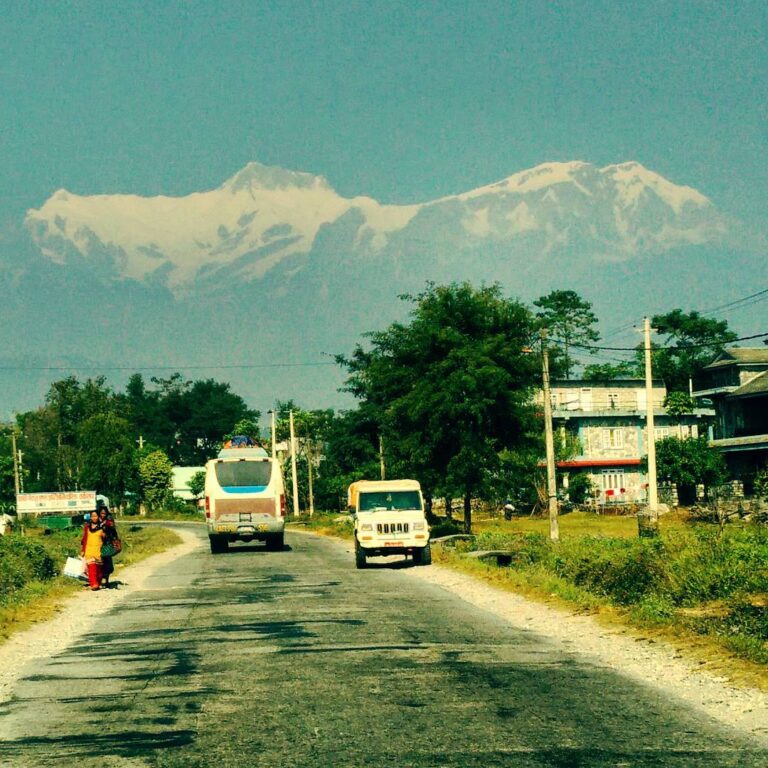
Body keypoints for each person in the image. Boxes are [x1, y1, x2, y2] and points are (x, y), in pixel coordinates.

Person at [80, 510, 105, 591]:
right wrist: (83, 550)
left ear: (98, 517)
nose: (94, 518)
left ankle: (98, 582)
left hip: (99, 550)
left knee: (99, 570)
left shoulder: (102, 527)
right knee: (91, 568)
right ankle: (93, 584)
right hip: (89, 549)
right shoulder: (87, 526)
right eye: (92, 516)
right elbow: (84, 539)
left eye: (96, 516)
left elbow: (106, 539)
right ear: (90, 517)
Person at [98, 505, 119, 588]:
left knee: (108, 563)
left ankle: (106, 580)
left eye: (104, 513)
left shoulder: (109, 522)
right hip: (98, 545)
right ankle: (100, 580)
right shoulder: (96, 521)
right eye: (101, 513)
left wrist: (115, 540)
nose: (103, 515)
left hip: (107, 544)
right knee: (100, 563)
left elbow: (114, 532)